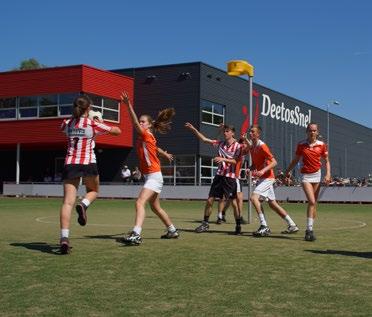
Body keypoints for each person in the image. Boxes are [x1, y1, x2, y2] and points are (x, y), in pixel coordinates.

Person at [59, 94, 121, 254]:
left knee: (67, 203)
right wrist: (99, 122)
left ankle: (64, 238)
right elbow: (117, 131)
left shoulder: (68, 123)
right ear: (88, 109)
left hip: (70, 163)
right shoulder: (92, 124)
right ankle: (84, 204)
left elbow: (61, 128)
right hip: (88, 162)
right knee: (93, 191)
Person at [120, 91, 179, 245]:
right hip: (151, 176)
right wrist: (164, 153)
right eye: (140, 121)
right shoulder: (147, 137)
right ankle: (172, 230)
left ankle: (136, 234)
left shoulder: (146, 134)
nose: (140, 123)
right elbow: (155, 148)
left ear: (149, 124)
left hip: (154, 176)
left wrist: (128, 105)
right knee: (155, 207)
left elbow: (133, 124)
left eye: (142, 121)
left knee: (139, 202)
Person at [185, 122, 242, 235]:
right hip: (219, 176)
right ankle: (205, 223)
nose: (225, 133)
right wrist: (193, 129)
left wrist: (223, 159)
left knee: (234, 203)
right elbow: (205, 140)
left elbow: (236, 161)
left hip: (230, 178)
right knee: (210, 199)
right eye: (224, 131)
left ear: (233, 133)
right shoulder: (220, 144)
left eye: (227, 131)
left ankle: (238, 225)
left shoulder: (238, 146)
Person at [244, 125, 298, 237]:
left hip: (268, 178)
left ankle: (264, 226)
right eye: (250, 132)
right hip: (264, 178)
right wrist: (250, 169)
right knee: (273, 204)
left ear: (258, 134)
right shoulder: (253, 147)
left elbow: (274, 162)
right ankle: (292, 225)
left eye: (253, 132)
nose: (250, 133)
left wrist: (262, 171)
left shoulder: (262, 146)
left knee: (253, 198)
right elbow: (255, 164)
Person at [285, 122, 331, 241]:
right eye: (310, 130)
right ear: (307, 131)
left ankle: (310, 230)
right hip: (305, 176)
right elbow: (295, 160)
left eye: (314, 130)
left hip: (317, 175)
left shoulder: (322, 145)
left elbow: (326, 161)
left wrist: (328, 174)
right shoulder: (301, 145)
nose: (312, 132)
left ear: (317, 132)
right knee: (311, 201)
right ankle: (309, 230)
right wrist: (287, 171)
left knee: (313, 203)